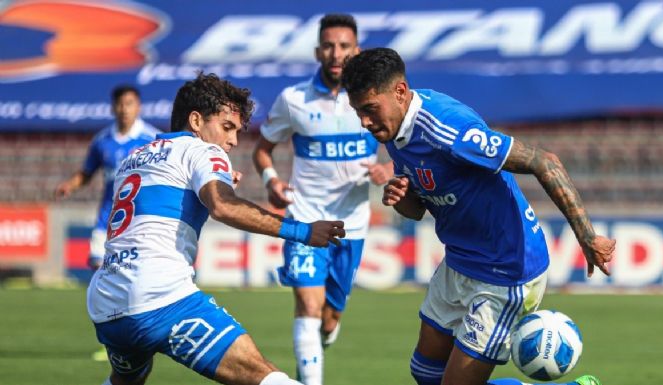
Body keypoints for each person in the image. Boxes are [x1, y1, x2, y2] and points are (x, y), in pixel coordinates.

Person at [341, 48, 614, 385]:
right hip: (459, 261)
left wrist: (588, 237)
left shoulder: (448, 130)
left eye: (369, 110)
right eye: (358, 113)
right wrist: (401, 199)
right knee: (425, 373)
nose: (365, 122)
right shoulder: (395, 128)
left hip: (505, 270)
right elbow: (417, 209)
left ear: (399, 92)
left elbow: (545, 162)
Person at [87, 72, 345, 385]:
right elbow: (223, 207)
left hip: (107, 302)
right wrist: (303, 232)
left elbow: (165, 200)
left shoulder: (135, 156)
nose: (233, 140)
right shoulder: (203, 151)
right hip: (159, 295)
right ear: (196, 121)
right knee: (265, 377)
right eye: (227, 127)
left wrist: (209, 184)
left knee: (124, 381)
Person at [252, 14, 392, 385]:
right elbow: (262, 150)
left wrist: (389, 170)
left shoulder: (372, 99)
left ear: (356, 50)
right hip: (304, 218)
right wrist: (271, 180)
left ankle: (321, 341)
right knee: (308, 307)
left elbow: (407, 148)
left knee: (328, 320)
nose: (336, 53)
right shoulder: (294, 99)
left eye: (344, 46)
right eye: (329, 45)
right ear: (318, 50)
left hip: (352, 226)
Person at [55, 85, 160, 361]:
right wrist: (71, 185)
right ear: (113, 107)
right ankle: (113, 342)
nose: (125, 109)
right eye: (120, 104)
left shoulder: (151, 138)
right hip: (107, 222)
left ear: (138, 106)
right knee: (103, 279)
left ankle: (141, 336)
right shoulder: (102, 141)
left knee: (137, 279)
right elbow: (86, 172)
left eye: (130, 103)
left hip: (139, 224)